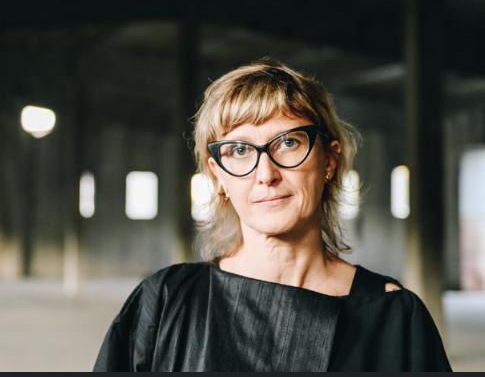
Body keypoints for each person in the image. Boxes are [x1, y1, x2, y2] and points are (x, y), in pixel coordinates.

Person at [93, 61, 452, 372]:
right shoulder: (166, 301)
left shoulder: (394, 316)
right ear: (218, 175)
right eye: (239, 150)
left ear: (329, 159)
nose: (265, 174)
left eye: (289, 142)